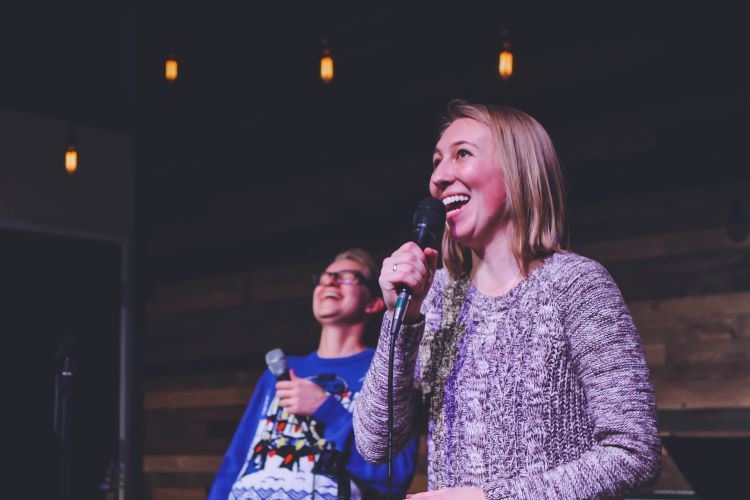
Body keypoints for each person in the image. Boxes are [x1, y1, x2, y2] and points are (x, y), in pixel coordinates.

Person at [353, 100, 661, 499]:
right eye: (435, 162)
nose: (439, 178)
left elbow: (634, 452)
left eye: (461, 154)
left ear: (518, 170)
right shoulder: (437, 297)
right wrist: (404, 319)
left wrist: (489, 498)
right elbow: (375, 443)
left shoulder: (576, 284)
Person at [209, 248, 419, 500]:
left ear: (373, 303)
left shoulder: (388, 369)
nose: (329, 280)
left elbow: (394, 477)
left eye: (347, 276)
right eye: (325, 276)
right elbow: (237, 459)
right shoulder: (280, 371)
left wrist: (327, 410)